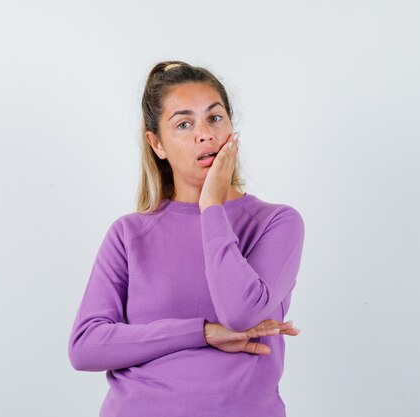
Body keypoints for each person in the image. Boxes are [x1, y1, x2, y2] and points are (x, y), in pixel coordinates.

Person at [68, 60, 305, 417]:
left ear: (231, 128)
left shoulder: (277, 223)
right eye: (184, 123)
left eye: (215, 118)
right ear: (157, 144)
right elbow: (85, 347)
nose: (205, 134)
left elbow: (240, 313)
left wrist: (211, 206)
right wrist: (203, 332)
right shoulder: (129, 234)